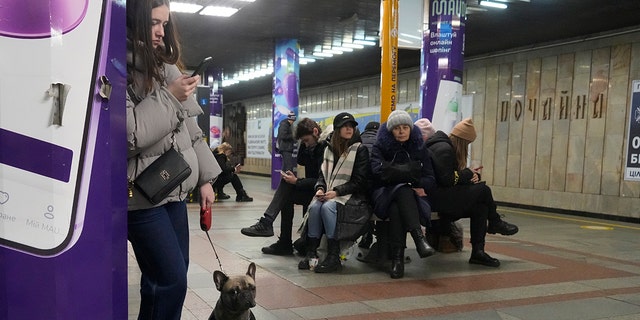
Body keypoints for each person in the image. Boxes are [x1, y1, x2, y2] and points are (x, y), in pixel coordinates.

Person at [126, 1, 221, 319]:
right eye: (153, 23)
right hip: (140, 197)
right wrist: (169, 96)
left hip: (175, 188)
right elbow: (130, 136)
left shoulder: (167, 69)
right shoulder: (116, 69)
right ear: (134, 21)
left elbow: (192, 132)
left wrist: (206, 178)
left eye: (164, 24)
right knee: (171, 281)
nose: (160, 32)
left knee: (165, 278)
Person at [425, 118, 519, 268]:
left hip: (440, 196)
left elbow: (448, 177)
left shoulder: (442, 145)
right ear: (463, 142)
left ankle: (478, 252)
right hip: (438, 200)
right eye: (467, 145)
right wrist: (468, 174)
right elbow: (447, 180)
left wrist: (469, 177)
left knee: (480, 207)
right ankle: (495, 222)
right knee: (484, 190)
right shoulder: (444, 149)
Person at [241, 118, 328, 256]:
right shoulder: (310, 147)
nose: (305, 144)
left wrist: (297, 182)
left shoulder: (325, 149)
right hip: (311, 188)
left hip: (321, 191)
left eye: (306, 140)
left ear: (315, 132)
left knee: (290, 186)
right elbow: (300, 160)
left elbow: (323, 180)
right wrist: (305, 146)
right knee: (286, 190)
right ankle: (283, 241)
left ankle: (267, 223)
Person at [298, 112, 372, 273]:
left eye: (351, 126)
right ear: (337, 129)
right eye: (345, 126)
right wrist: (320, 188)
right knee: (316, 206)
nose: (349, 129)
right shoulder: (329, 150)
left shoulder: (360, 150)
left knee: (327, 207)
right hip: (333, 194)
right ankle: (312, 253)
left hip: (354, 197)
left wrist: (337, 191)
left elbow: (360, 182)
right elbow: (322, 176)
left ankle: (333, 255)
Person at [370, 110, 437, 279]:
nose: (401, 131)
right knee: (402, 189)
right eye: (397, 128)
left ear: (410, 128)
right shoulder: (380, 147)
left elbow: (430, 179)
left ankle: (397, 261)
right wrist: (411, 174)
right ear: (390, 131)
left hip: (409, 198)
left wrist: (398, 175)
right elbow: (376, 174)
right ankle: (419, 239)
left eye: (405, 127)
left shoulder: (419, 147)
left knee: (397, 206)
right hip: (382, 195)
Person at [356, 120, 379, 249]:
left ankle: (366, 236)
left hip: (360, 187)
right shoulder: (381, 141)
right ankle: (380, 238)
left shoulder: (359, 140)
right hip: (376, 187)